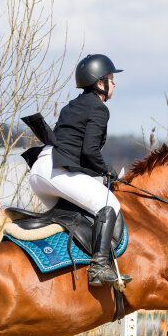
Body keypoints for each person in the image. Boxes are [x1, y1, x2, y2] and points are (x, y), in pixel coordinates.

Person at [21, 54, 131, 287]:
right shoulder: (99, 109)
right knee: (109, 204)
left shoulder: (73, 105)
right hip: (57, 171)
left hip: (40, 171)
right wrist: (108, 171)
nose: (115, 84)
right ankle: (99, 268)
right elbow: (91, 151)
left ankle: (72, 266)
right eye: (111, 79)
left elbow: (78, 150)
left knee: (79, 217)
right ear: (100, 83)